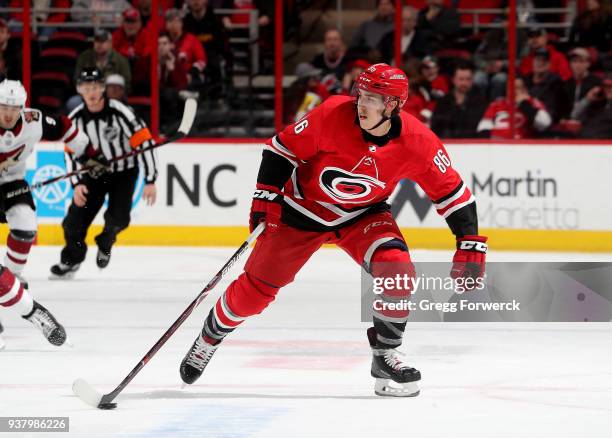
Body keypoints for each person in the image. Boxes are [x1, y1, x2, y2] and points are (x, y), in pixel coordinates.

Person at [178, 63, 488, 397]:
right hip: (301, 211)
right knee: (255, 294)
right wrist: (265, 195)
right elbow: (281, 148)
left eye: (372, 98)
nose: (361, 104)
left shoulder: (419, 141)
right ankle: (210, 336)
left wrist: (469, 241)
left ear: (393, 105)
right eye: (361, 95)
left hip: (362, 215)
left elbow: (453, 193)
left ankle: (385, 354)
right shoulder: (331, 114)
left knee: (397, 269)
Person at [0, 78, 93, 348]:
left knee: (26, 226)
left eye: (13, 107)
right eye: (3, 107)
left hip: (12, 181)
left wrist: (87, 154)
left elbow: (64, 127)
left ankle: (13, 278)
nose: (7, 113)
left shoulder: (33, 121)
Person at [50, 68, 158, 279]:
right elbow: (70, 154)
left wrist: (150, 179)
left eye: (96, 87)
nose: (91, 92)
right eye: (86, 88)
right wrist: (77, 183)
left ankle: (106, 240)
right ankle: (71, 260)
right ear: (79, 90)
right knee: (74, 222)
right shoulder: (76, 119)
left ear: (103, 88)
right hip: (93, 175)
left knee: (119, 219)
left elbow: (144, 142)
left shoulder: (121, 112)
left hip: (124, 174)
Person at [477, 76, 552, 139]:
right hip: (498, 146)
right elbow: (483, 128)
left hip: (523, 147)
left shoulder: (533, 103)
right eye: (510, 88)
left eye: (517, 88)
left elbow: (545, 123)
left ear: (525, 90)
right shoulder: (496, 105)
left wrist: (524, 104)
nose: (513, 91)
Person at [430, 62, 488, 138]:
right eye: (461, 79)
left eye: (468, 79)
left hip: (472, 146)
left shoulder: (480, 102)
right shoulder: (443, 102)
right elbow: (436, 128)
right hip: (447, 145)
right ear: (453, 80)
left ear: (472, 80)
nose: (464, 83)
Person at [565, 47, 602, 118]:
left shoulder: (596, 83)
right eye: (574, 61)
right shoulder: (567, 83)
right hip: (569, 121)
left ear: (588, 64)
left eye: (581, 61)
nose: (577, 65)